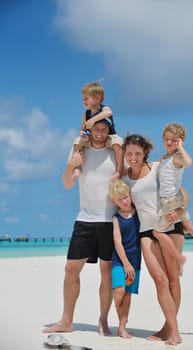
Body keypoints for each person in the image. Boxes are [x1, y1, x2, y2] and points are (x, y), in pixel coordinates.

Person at [43, 119, 121, 335]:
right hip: (84, 220)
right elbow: (68, 184)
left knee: (106, 273)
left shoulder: (115, 151)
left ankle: (103, 321)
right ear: (90, 129)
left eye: (104, 129)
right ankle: (66, 320)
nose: (100, 132)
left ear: (109, 131)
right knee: (70, 270)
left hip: (109, 221)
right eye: (96, 128)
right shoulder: (79, 150)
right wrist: (71, 164)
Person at [122, 133, 185, 346]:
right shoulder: (124, 178)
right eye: (129, 153)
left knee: (173, 279)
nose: (133, 157)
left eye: (137, 153)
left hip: (170, 226)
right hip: (146, 231)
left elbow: (182, 192)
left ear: (145, 153)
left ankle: (169, 329)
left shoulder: (158, 168)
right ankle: (173, 330)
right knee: (160, 280)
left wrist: (179, 210)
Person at [152, 123, 193, 269]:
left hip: (170, 200)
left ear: (180, 141)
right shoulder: (164, 158)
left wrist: (180, 147)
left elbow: (189, 163)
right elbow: (154, 167)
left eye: (174, 140)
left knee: (157, 232)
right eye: (166, 139)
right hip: (176, 197)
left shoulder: (177, 157)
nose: (169, 142)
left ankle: (178, 257)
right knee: (188, 225)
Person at [108, 180, 141, 339]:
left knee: (127, 294)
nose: (124, 201)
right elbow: (117, 242)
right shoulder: (116, 218)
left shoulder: (139, 213)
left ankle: (122, 327)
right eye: (120, 199)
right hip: (119, 260)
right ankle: (121, 317)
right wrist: (126, 263)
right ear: (114, 202)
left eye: (126, 197)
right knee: (119, 290)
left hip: (135, 261)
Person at [72, 81, 123, 181]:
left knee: (118, 143)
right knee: (78, 142)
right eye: (83, 99)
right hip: (93, 137)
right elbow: (82, 129)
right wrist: (83, 135)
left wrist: (93, 120)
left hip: (109, 136)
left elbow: (109, 113)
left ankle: (119, 171)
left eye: (87, 98)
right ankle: (77, 167)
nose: (84, 102)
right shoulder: (85, 114)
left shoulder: (104, 108)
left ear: (98, 98)